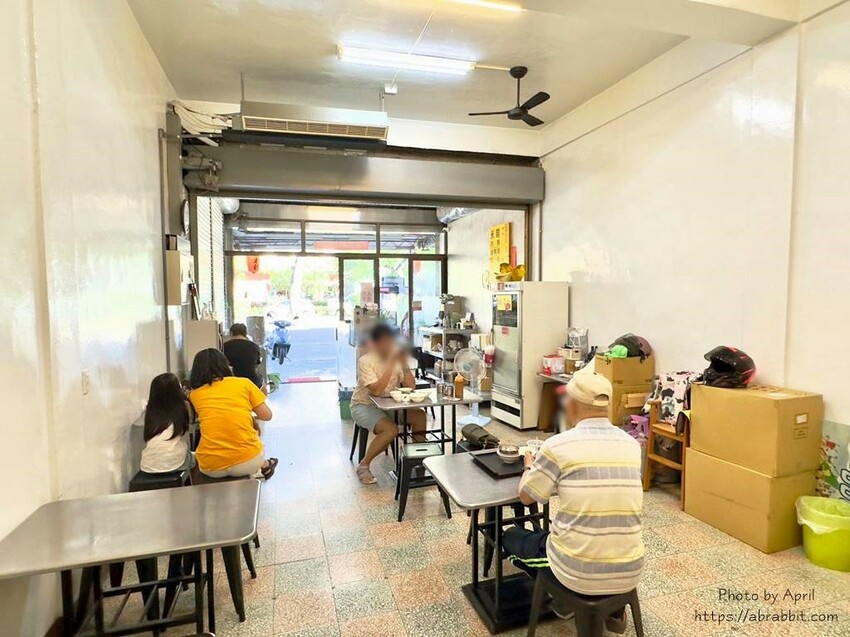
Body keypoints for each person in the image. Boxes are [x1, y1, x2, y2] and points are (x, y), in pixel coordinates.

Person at [504, 371, 644, 634]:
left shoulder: (558, 446)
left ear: (571, 405)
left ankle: (563, 600)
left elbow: (526, 496)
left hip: (577, 571)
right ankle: (613, 609)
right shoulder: (632, 445)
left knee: (511, 537)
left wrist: (529, 466)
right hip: (631, 567)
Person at [350, 323, 426, 485]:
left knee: (419, 416)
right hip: (364, 405)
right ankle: (363, 465)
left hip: (390, 404)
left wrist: (404, 366)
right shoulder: (366, 361)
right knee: (390, 429)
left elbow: (411, 387)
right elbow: (376, 391)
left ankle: (418, 460)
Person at [188, 348, 278, 480]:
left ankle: (264, 465)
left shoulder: (194, 394)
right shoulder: (243, 383)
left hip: (211, 467)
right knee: (254, 434)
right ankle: (264, 465)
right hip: (249, 461)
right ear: (225, 365)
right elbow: (267, 415)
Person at [141, 373, 194, 473]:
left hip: (147, 465)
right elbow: (190, 425)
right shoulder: (183, 408)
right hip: (175, 464)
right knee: (194, 459)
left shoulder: (149, 411)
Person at [223, 323, 263, 389]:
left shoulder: (224, 346)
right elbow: (257, 362)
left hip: (233, 380)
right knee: (263, 386)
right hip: (252, 381)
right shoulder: (254, 346)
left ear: (231, 333)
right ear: (245, 333)